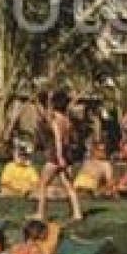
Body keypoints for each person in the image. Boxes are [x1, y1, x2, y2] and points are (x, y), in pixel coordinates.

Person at [36, 90, 85, 223]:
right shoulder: (67, 120)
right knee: (68, 185)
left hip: (57, 155)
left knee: (43, 184)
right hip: (66, 153)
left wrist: (59, 157)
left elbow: (58, 139)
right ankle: (77, 213)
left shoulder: (55, 119)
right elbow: (67, 140)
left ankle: (40, 214)